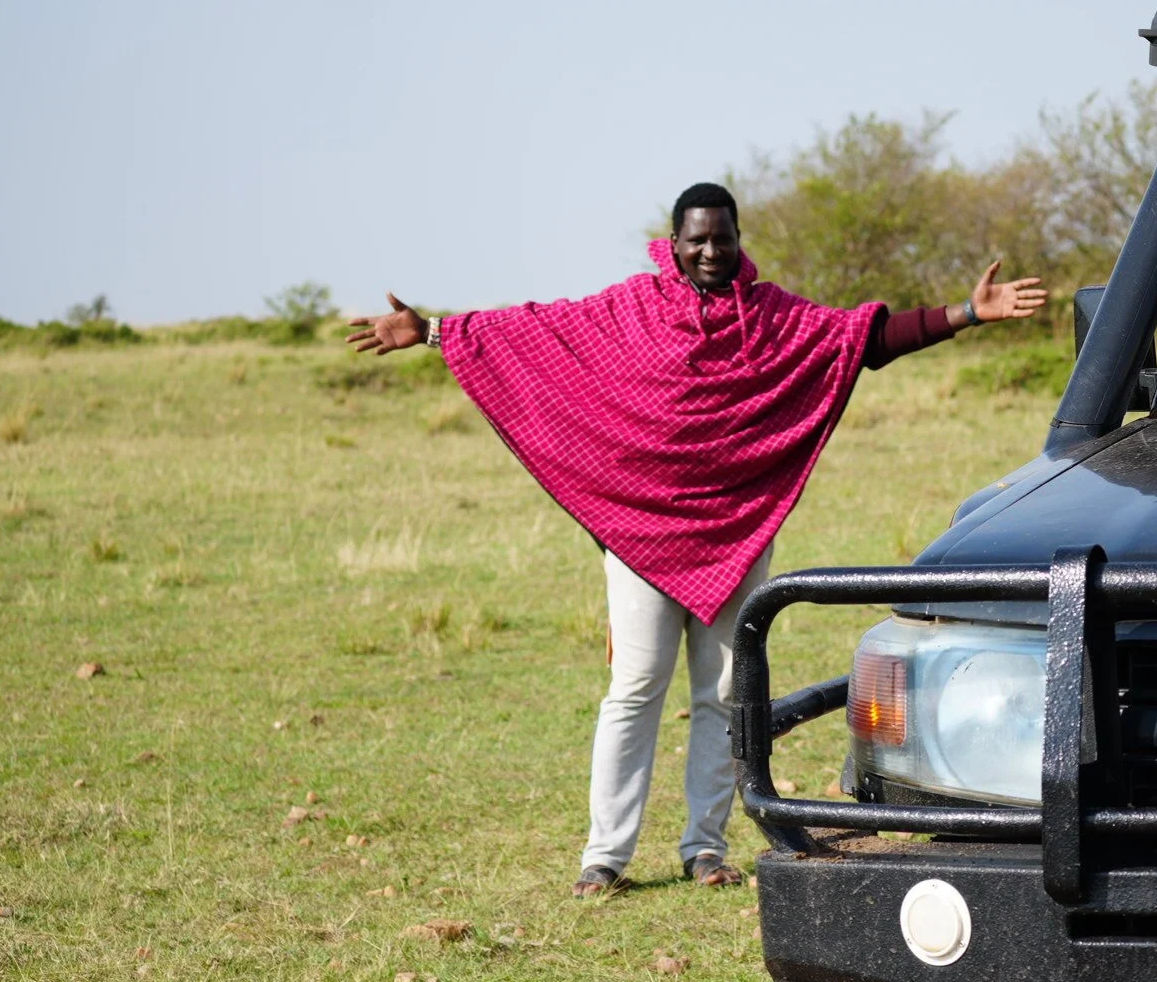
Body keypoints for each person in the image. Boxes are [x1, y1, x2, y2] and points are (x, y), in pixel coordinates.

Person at [345, 183, 1049, 898]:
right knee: (635, 688)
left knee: (720, 694)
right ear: (674, 242)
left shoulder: (771, 316)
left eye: (723, 237)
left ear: (739, 239)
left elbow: (861, 340)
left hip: (736, 532)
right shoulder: (629, 309)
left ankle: (704, 849)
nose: (711, 251)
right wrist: (430, 331)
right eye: (698, 239)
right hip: (642, 534)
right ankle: (606, 856)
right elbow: (534, 330)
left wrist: (966, 313)